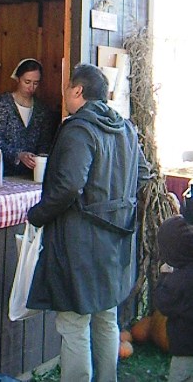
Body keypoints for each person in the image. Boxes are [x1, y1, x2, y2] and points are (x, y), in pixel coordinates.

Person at [26, 63, 152, 382]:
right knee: (106, 317)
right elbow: (143, 174)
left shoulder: (78, 128)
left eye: (69, 87)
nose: (66, 93)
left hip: (79, 244)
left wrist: (38, 215)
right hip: (115, 242)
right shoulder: (125, 128)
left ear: (78, 91)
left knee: (74, 324)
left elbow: (68, 186)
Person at [0, 58, 55, 176]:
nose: (31, 87)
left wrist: (39, 159)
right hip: (4, 173)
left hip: (32, 174)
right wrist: (18, 155)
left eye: (36, 83)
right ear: (18, 79)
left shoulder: (41, 109)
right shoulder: (3, 104)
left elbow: (45, 142)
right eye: (27, 82)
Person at [153, 215, 193, 382]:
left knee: (181, 376)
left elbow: (163, 303)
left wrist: (164, 276)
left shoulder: (177, 280)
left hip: (184, 347)